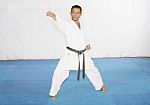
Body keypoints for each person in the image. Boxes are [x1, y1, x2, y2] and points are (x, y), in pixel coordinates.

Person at [47, 5, 108, 100]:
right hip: (70, 53)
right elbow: (60, 23)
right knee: (59, 72)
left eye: (77, 13)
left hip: (83, 53)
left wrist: (87, 44)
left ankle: (100, 85)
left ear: (80, 14)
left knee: (92, 69)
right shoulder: (67, 25)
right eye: (73, 12)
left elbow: (83, 35)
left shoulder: (81, 24)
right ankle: (52, 92)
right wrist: (54, 16)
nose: (75, 15)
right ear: (70, 13)